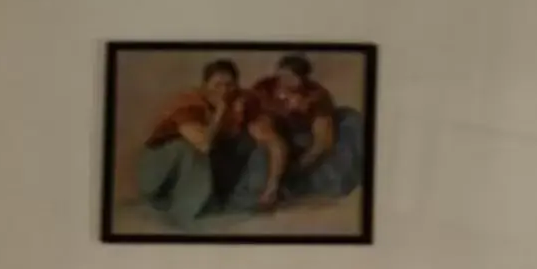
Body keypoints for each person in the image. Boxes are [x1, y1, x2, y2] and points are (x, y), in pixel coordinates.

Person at [133, 58, 255, 227]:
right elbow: (203, 144)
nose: (224, 90)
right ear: (205, 85)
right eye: (218, 85)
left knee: (242, 143)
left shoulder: (236, 101)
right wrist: (220, 112)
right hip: (158, 169)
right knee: (191, 148)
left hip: (189, 165)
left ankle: (222, 199)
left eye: (230, 85)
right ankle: (182, 211)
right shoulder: (188, 102)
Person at [242, 53, 366, 210]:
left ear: (303, 79)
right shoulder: (265, 87)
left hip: (304, 141)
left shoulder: (316, 95)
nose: (285, 82)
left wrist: (297, 168)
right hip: (273, 135)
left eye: (292, 77)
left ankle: (284, 187)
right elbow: (253, 112)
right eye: (282, 76)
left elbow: (323, 141)